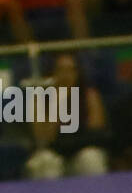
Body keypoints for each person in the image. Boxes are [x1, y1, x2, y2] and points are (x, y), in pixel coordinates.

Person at [23, 51, 108, 180]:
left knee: (91, 158)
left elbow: (96, 133)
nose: (66, 75)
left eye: (71, 70)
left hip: (80, 151)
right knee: (45, 162)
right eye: (61, 70)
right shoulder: (39, 99)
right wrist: (58, 101)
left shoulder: (89, 96)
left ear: (78, 73)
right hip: (52, 154)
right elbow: (43, 139)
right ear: (52, 73)